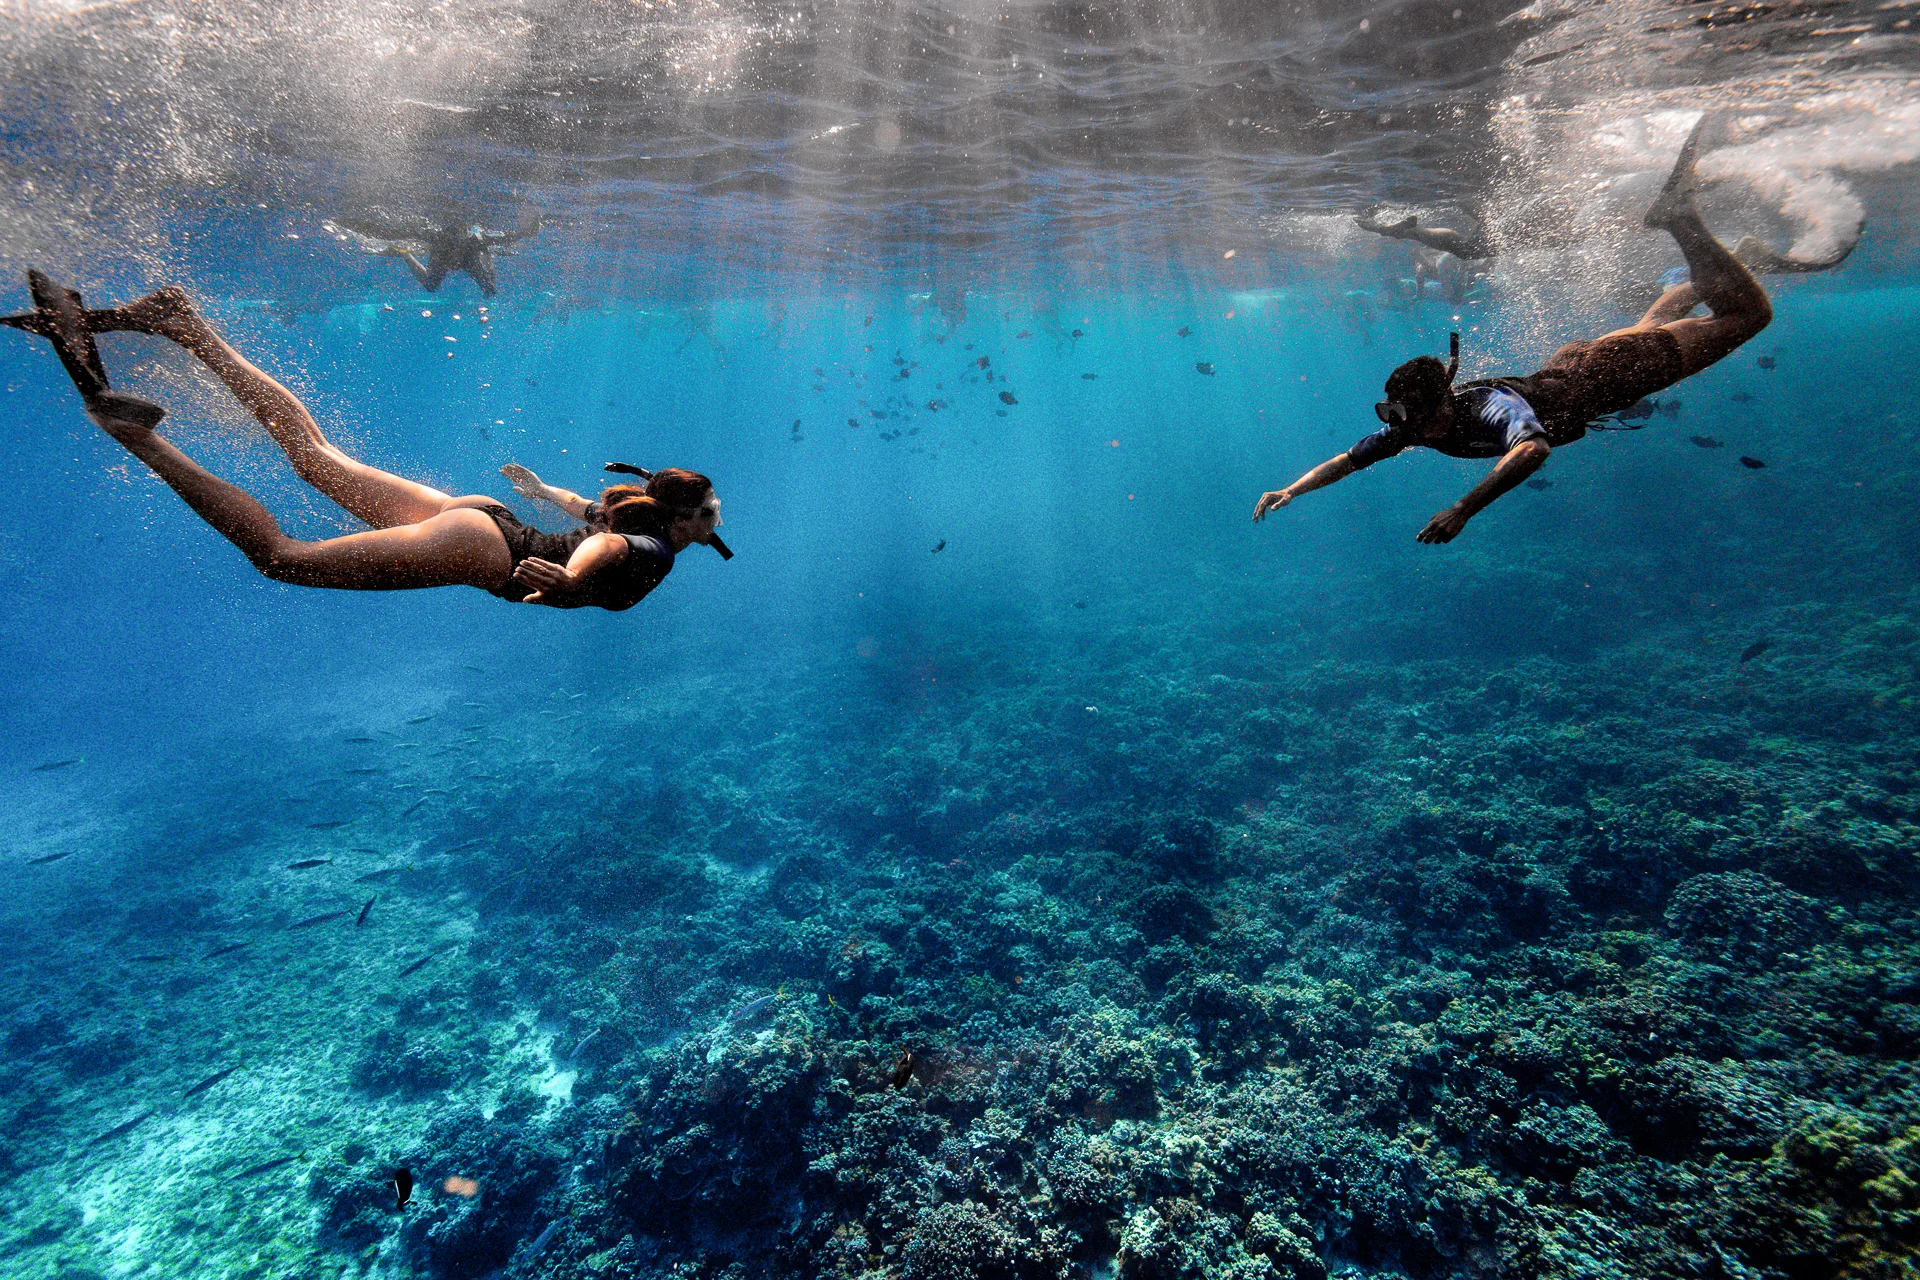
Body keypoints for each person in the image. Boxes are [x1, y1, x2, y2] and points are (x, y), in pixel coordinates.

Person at [3, 275, 722, 609]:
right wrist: (571, 578)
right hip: (483, 551)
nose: (714, 523)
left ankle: (185, 326)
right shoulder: (651, 544)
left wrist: (535, 493)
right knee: (282, 559)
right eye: (710, 514)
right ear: (681, 518)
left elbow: (585, 514)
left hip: (477, 517)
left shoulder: (630, 509)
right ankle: (131, 433)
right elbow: (611, 550)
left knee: (314, 455)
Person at [1258, 115, 1772, 544]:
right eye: (1398, 420)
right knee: (1652, 323)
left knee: (1748, 318)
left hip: (1614, 375)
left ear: (1443, 404)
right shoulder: (1413, 425)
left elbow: (1533, 448)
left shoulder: (1488, 407)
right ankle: (1721, 268)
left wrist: (1463, 508)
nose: (1406, 431)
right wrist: (1290, 490)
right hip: (1574, 369)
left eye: (1412, 419)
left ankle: (1683, 223)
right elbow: (1347, 461)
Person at [327, 209, 541, 297]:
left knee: (489, 289)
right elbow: (392, 233)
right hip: (456, 255)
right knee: (432, 285)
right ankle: (404, 253)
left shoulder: (473, 242)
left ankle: (404, 253)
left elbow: (507, 237)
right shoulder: (442, 240)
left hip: (467, 257)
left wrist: (525, 232)